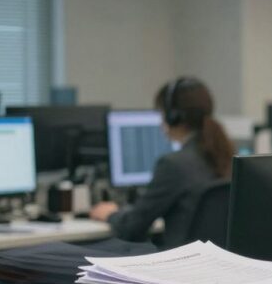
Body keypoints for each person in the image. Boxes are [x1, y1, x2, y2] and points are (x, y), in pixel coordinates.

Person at [90, 77, 234, 248]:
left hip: (178, 265)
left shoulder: (174, 165)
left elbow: (132, 228)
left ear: (173, 117)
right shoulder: (228, 156)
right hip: (215, 264)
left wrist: (110, 214)